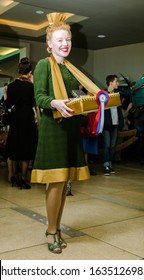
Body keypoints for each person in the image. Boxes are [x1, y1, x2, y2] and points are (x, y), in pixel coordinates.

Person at [31, 12, 101, 254]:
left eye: (68, 39)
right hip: (53, 129)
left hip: (71, 128)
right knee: (56, 182)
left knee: (64, 184)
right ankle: (51, 230)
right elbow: (39, 96)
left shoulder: (71, 70)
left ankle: (56, 227)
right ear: (49, 44)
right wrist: (54, 103)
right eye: (59, 40)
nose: (65, 44)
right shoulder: (42, 65)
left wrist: (84, 104)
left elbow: (73, 98)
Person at [5, 57, 38, 189]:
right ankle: (23, 178)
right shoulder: (31, 87)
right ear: (29, 73)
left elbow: (8, 104)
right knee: (26, 148)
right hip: (27, 117)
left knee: (14, 146)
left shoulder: (11, 86)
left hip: (15, 117)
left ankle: (13, 176)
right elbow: (35, 102)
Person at [102, 75, 124, 175]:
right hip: (106, 125)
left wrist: (121, 122)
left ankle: (110, 164)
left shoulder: (118, 94)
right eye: (116, 81)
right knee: (106, 145)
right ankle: (106, 165)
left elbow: (119, 110)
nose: (117, 83)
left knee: (113, 145)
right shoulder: (103, 94)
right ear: (110, 83)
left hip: (115, 124)